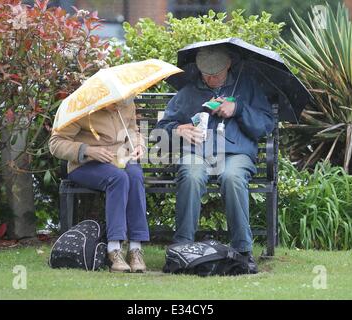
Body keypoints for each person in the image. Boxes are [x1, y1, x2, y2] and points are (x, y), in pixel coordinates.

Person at [157, 46, 274, 273]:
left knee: (232, 177)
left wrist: (238, 109)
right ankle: (182, 247)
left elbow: (264, 127)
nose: (211, 78)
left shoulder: (248, 86)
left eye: (216, 74)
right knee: (190, 174)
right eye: (206, 74)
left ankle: (242, 251)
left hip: (236, 153)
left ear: (228, 65)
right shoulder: (189, 92)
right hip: (197, 153)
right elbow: (161, 129)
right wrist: (179, 130)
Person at [49, 98, 149, 273]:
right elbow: (56, 143)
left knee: (135, 175)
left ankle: (135, 248)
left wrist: (139, 144)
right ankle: (114, 249)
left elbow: (132, 131)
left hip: (120, 159)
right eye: (113, 103)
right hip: (85, 165)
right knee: (118, 178)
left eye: (122, 101)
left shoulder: (126, 103)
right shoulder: (80, 107)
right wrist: (88, 150)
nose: (118, 106)